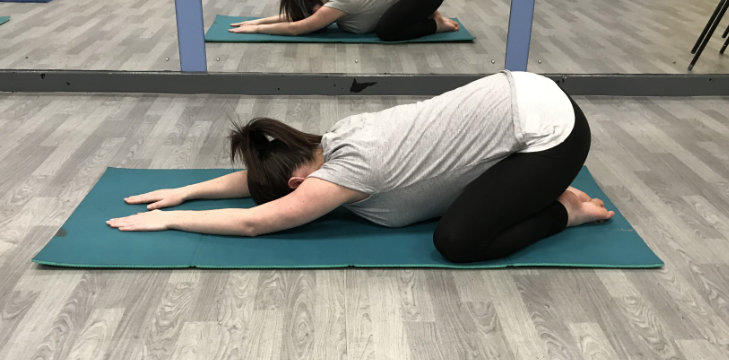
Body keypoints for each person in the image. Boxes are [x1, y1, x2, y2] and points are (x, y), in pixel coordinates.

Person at [107, 71, 615, 263]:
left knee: (458, 243)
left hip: (555, 132)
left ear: (298, 182)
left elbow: (252, 221)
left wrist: (169, 219)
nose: (287, 200)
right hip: (523, 89)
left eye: (286, 192)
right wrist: (187, 192)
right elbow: (261, 181)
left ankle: (565, 210)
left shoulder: (354, 170)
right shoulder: (330, 141)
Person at [228, 0, 459, 41]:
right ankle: (428, 15)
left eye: (312, 9)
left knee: (387, 32)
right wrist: (255, 21)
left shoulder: (338, 3)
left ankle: (435, 24)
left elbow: (298, 27)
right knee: (388, 23)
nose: (314, 14)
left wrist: (256, 29)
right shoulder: (326, 5)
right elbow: (297, 18)